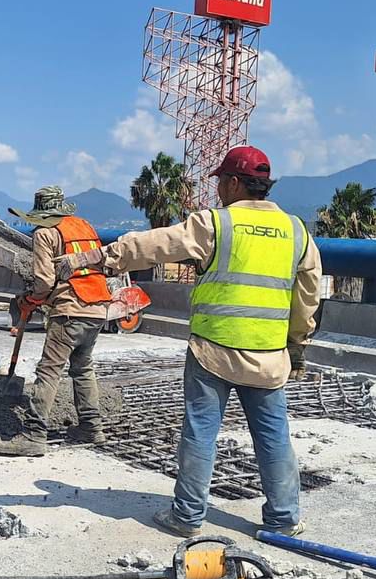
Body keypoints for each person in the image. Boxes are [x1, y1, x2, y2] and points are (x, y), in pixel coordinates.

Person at [56, 146, 321, 537]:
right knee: (274, 435)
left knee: (200, 431)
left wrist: (94, 258)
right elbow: (308, 296)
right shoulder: (297, 231)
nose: (218, 191)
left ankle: (187, 516)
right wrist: (296, 347)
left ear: (232, 183)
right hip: (268, 356)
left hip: (213, 351)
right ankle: (284, 519)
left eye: (220, 183)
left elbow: (154, 244)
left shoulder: (216, 224)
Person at [4, 185, 111, 456]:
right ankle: (90, 427)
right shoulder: (83, 226)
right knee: (83, 368)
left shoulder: (45, 233)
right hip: (98, 307)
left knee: (49, 371)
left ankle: (33, 435)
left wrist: (30, 300)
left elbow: (43, 281)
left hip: (70, 309)